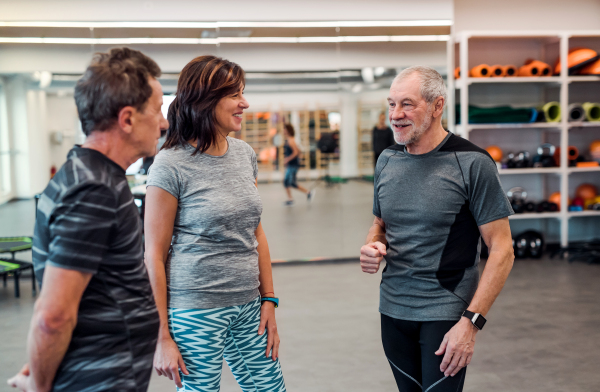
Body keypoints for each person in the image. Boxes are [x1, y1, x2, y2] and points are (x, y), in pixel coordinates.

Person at [7, 47, 167, 392]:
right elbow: (53, 316)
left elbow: (82, 292)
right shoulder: (94, 191)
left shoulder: (91, 175)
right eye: (156, 111)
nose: (164, 122)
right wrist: (39, 383)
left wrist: (44, 362)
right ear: (127, 119)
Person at [360, 66, 515, 392]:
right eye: (391, 104)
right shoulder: (387, 160)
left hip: (446, 313)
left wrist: (471, 323)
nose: (396, 115)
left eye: (407, 104)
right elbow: (380, 223)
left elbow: (502, 250)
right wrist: (373, 245)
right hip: (392, 311)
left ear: (437, 106)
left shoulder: (472, 163)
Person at [144, 55, 286, 392]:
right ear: (206, 101)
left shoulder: (244, 154)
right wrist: (161, 334)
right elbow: (153, 255)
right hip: (194, 309)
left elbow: (256, 232)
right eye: (235, 95)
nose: (244, 103)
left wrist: (269, 299)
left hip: (250, 307)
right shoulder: (169, 165)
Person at [282, 124, 314, 205]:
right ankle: (290, 199)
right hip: (291, 165)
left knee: (291, 182)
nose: (283, 131)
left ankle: (308, 193)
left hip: (293, 165)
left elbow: (296, 152)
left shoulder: (291, 140)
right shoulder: (290, 139)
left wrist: (287, 159)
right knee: (286, 182)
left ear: (288, 130)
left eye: (284, 129)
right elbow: (298, 151)